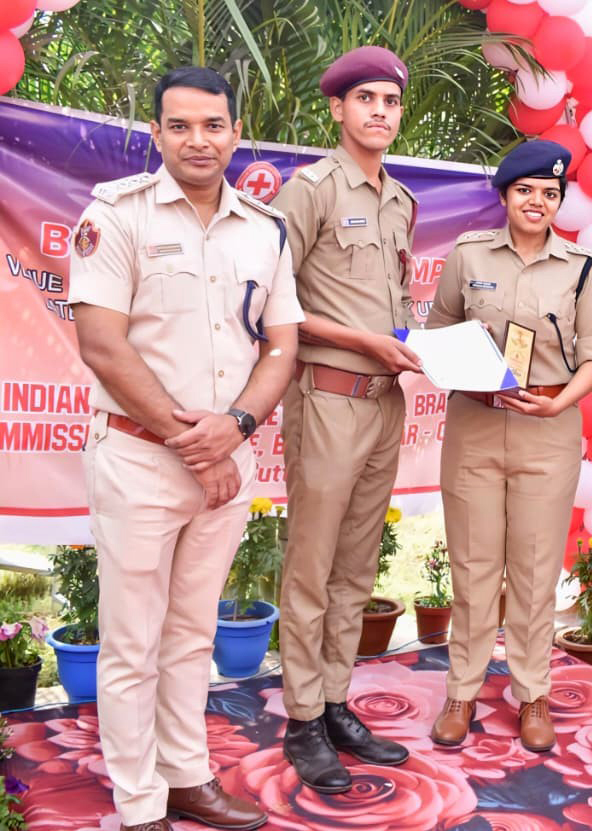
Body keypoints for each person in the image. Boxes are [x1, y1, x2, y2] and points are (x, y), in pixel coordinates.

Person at [69, 66, 303, 831]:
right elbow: (102, 345)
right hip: (140, 459)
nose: (197, 140)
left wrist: (236, 426)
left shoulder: (265, 229)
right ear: (157, 133)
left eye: (212, 125)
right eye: (179, 125)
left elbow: (282, 344)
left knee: (192, 633)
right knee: (132, 641)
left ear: (236, 132)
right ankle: (139, 803)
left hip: (227, 463)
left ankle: (185, 776)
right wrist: (194, 441)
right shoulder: (117, 216)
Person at [425, 140, 592, 752]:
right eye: (526, 190)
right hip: (476, 425)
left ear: (561, 202)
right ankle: (462, 691)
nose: (538, 201)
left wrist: (562, 403)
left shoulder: (581, 267)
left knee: (535, 571)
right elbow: (438, 333)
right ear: (506, 196)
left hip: (548, 430)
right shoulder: (468, 254)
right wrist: (460, 361)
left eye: (550, 193)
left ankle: (532, 693)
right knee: (473, 567)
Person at [271, 45, 422, 794]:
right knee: (312, 566)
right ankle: (302, 720)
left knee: (357, 567)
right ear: (337, 108)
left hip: (385, 402)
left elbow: (393, 306)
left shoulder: (401, 200)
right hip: (327, 397)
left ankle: (335, 703)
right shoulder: (310, 190)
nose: (380, 113)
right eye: (366, 99)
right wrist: (364, 342)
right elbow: (272, 301)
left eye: (390, 102)